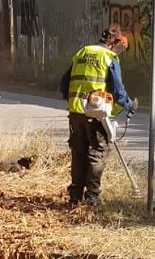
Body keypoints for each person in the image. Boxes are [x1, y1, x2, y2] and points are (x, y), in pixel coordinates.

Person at [59, 24, 138, 207]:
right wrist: (129, 105)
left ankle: (75, 196)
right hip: (95, 113)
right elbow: (118, 91)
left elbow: (64, 83)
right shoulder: (109, 57)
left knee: (78, 153)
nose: (121, 52)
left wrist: (72, 101)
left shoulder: (82, 52)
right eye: (121, 48)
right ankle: (92, 197)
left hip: (75, 112)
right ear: (115, 43)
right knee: (97, 152)